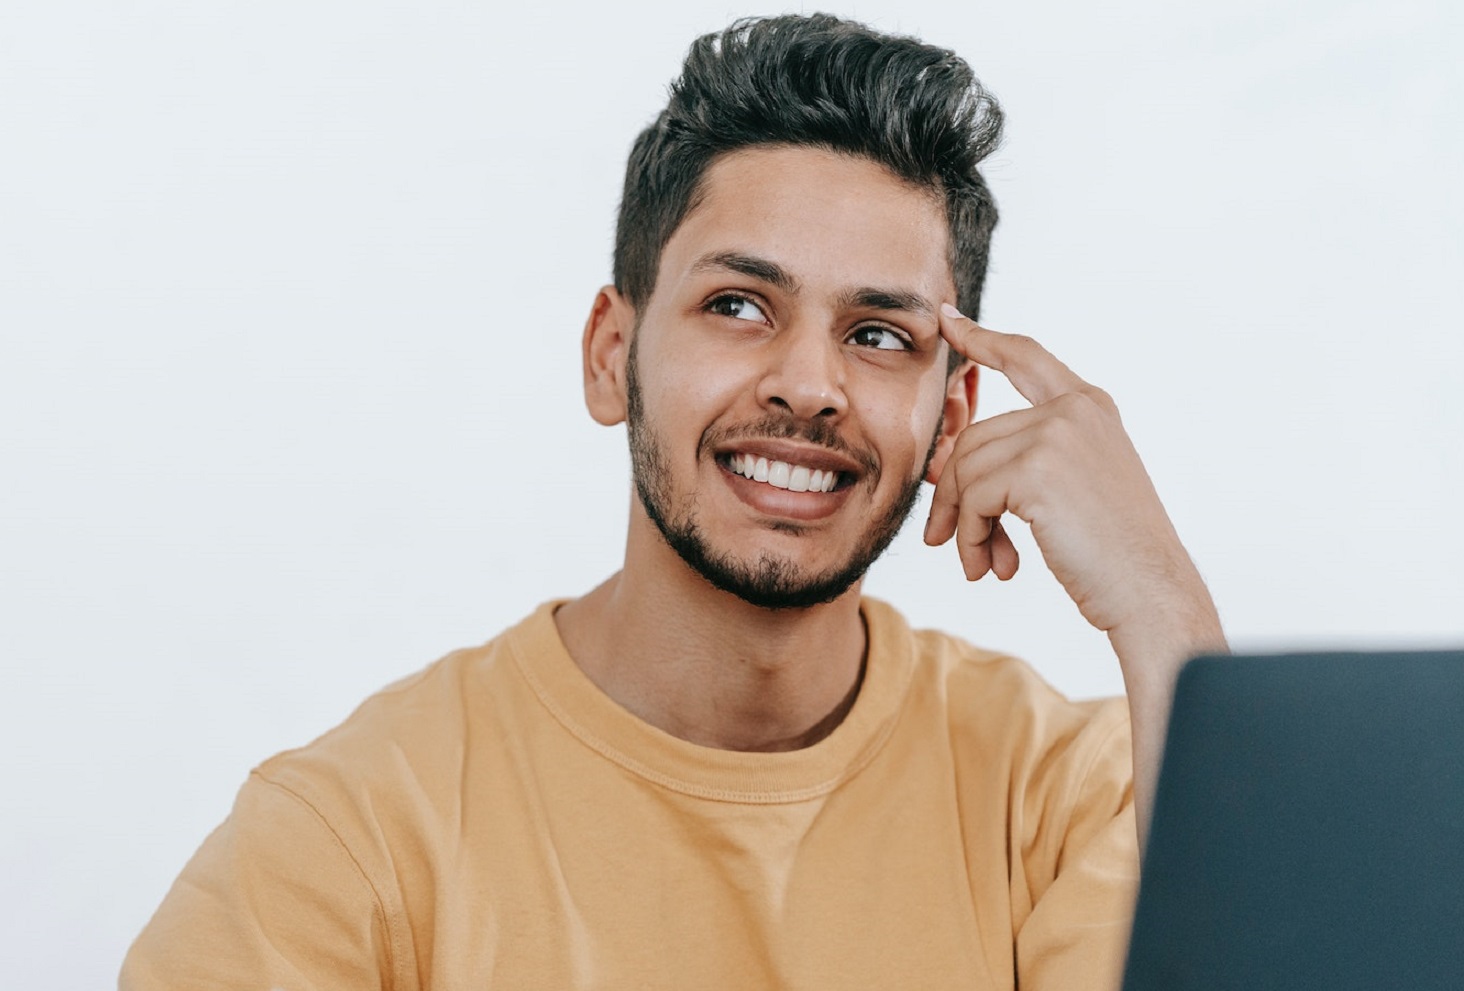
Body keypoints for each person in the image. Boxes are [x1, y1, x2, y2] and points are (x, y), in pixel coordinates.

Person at [122, 13, 1225, 990]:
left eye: (879, 334)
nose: (809, 383)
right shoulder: (348, 842)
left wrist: (1163, 608)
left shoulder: (1074, 798)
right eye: (739, 304)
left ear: (951, 413)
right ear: (613, 354)